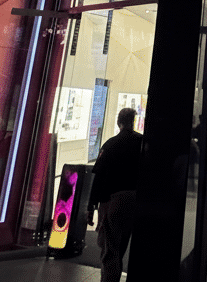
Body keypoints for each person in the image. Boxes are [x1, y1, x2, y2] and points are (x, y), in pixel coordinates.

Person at [88, 107, 142, 282]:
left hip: (114, 200)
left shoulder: (110, 145)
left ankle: (110, 279)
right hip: (136, 198)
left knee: (111, 247)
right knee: (124, 242)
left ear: (119, 122)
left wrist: (91, 206)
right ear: (133, 122)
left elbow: (98, 177)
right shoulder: (141, 143)